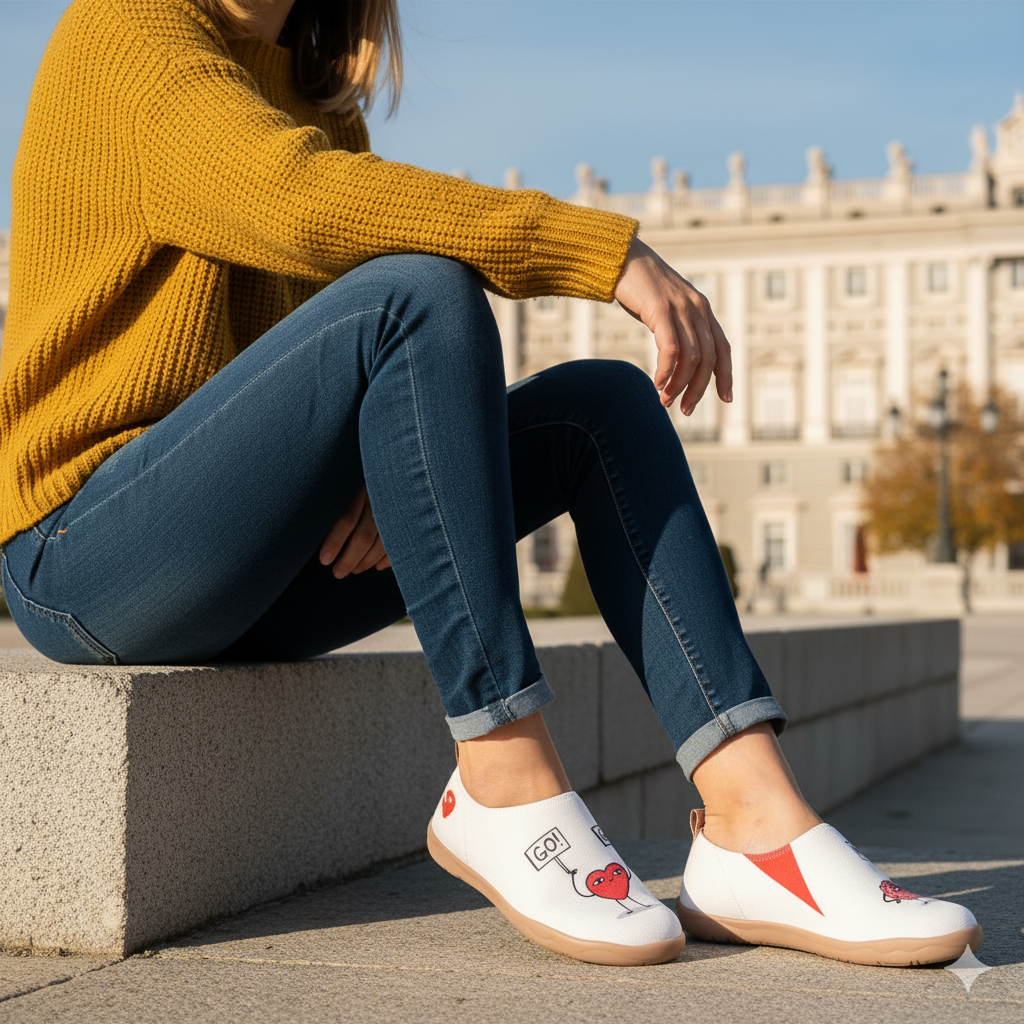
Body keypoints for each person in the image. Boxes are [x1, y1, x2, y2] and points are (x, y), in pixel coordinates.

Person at [0, 0, 981, 968]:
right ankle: (503, 779)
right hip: (87, 554)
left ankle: (754, 826)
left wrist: (385, 464)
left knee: (602, 407)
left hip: (257, 564)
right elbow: (299, 203)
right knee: (421, 288)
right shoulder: (125, 27)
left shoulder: (314, 88)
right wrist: (607, 252)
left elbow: (314, 359)